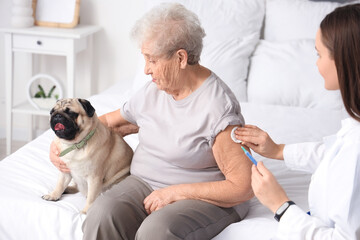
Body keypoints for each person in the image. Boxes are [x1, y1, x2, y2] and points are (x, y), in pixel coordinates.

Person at [50, 3, 254, 240]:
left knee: (155, 232)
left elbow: (243, 186)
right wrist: (61, 146)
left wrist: (175, 193)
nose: (146, 70)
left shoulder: (219, 108)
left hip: (202, 197)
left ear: (180, 58)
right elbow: (107, 125)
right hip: (143, 182)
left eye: (152, 60)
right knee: (101, 213)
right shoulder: (153, 91)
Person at [235, 4, 360, 239]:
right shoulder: (354, 131)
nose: (316, 63)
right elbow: (334, 156)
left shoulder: (356, 148)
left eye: (319, 54)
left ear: (343, 60)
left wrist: (281, 206)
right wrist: (279, 150)